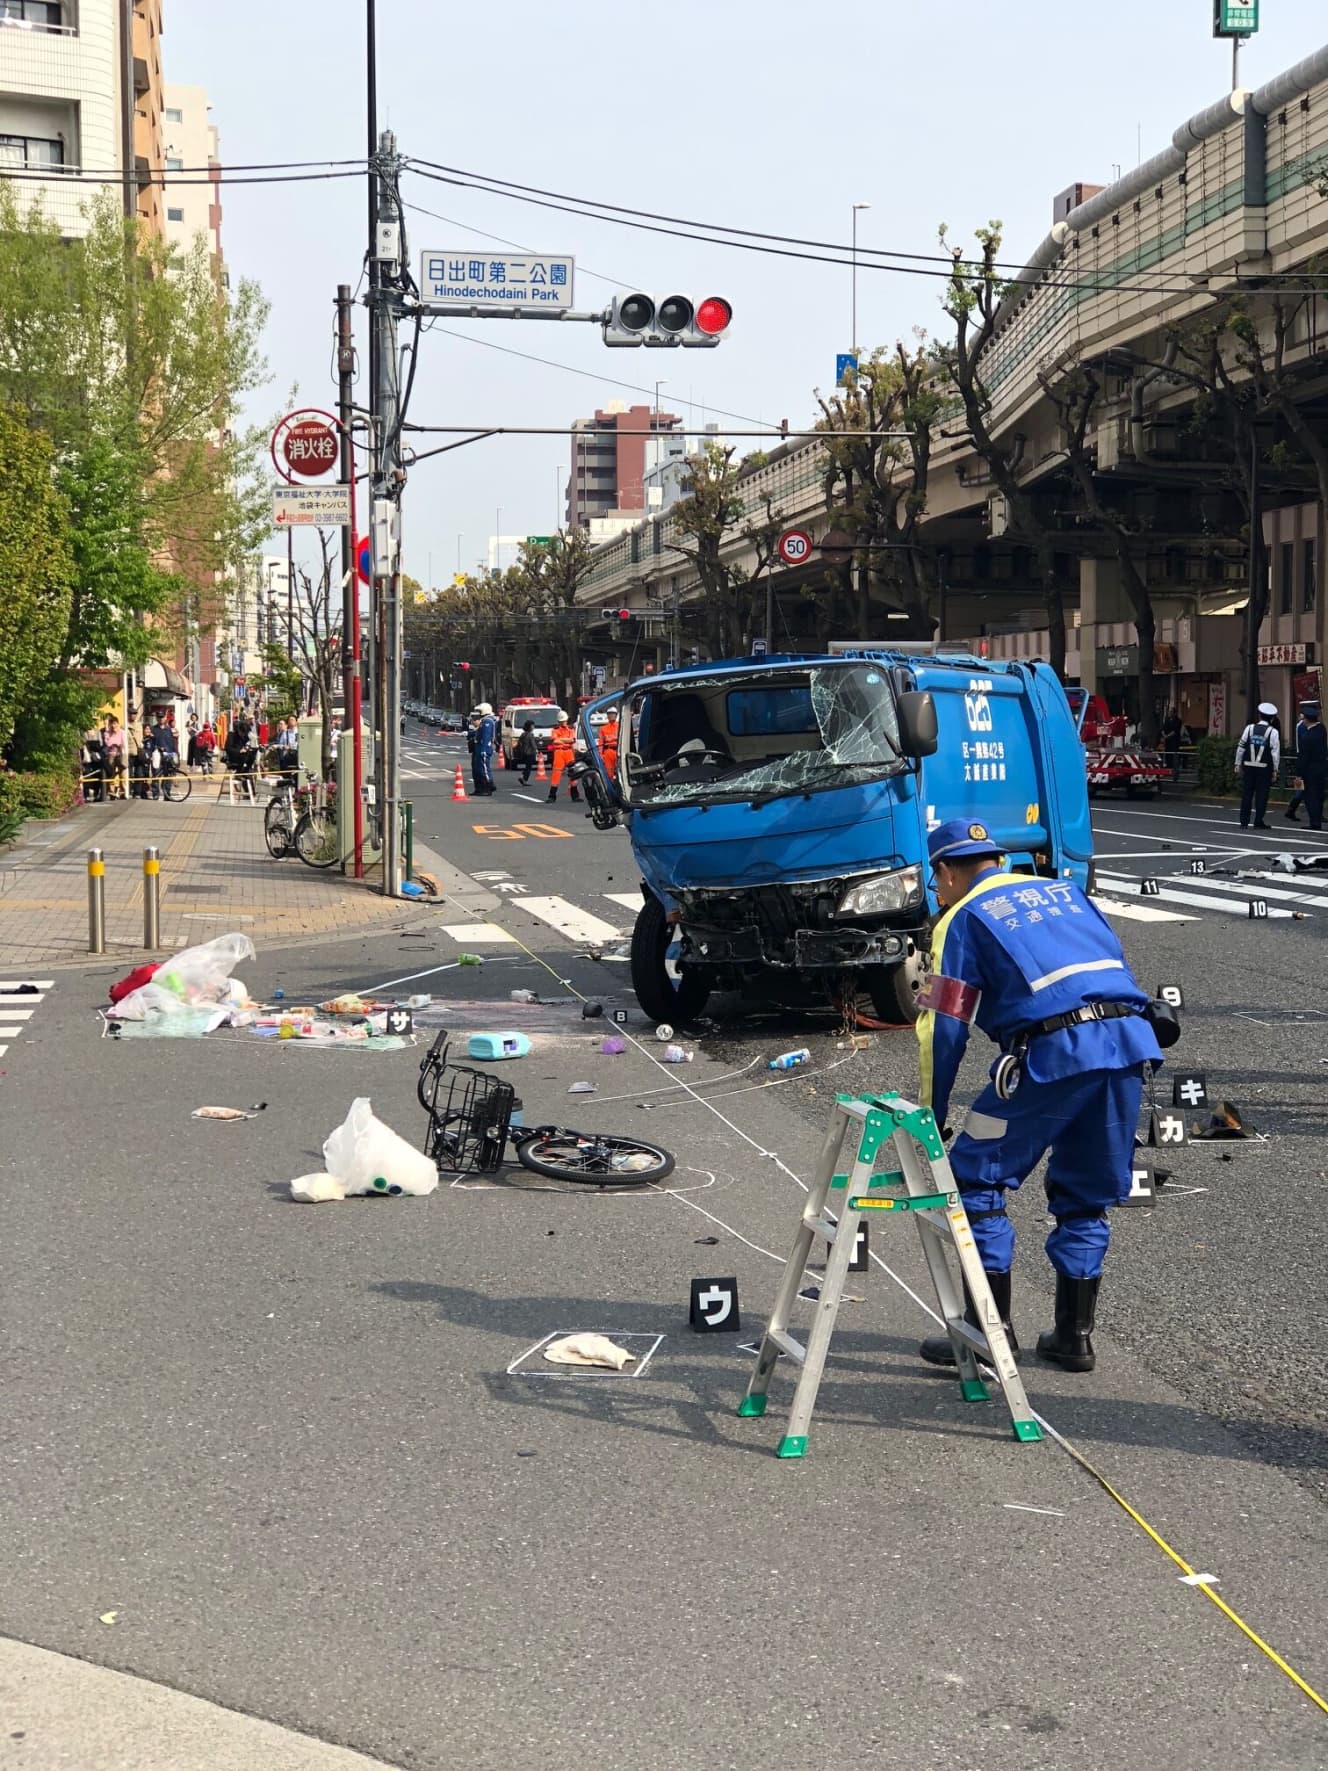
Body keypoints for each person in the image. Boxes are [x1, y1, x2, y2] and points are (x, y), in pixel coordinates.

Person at [915, 820, 1164, 1374]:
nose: (939, 893)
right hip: (1127, 1047)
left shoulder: (961, 918)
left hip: (1055, 1056)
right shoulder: (1064, 891)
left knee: (974, 1178)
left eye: (937, 882)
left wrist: (930, 1114)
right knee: (1086, 1194)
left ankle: (989, 1335)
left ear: (948, 872)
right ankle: (1074, 1338)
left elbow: (943, 1027)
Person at [1234, 700, 1281, 831]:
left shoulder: (1249, 728)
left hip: (1248, 766)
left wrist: (1238, 764)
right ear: (1271, 718)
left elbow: (1241, 747)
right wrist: (1275, 770)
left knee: (1247, 793)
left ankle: (1244, 821)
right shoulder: (1273, 732)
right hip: (1264, 768)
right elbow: (1275, 753)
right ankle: (1258, 821)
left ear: (1259, 715)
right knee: (1262, 795)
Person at [1286, 701, 1327, 829]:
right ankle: (1317, 818)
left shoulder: (1307, 737)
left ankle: (1314, 822)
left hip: (1309, 771)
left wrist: (1298, 774)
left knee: (1310, 796)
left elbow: (1303, 757)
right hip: (1322, 768)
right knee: (1319, 795)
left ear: (1307, 719)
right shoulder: (1321, 730)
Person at [547, 711, 580, 803]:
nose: (563, 723)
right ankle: (552, 796)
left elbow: (572, 740)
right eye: (562, 721)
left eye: (564, 721)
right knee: (556, 774)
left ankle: (575, 796)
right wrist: (566, 741)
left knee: (574, 774)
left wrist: (561, 740)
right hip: (559, 753)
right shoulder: (555, 730)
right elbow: (555, 741)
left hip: (569, 752)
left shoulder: (571, 730)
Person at [470, 702, 498, 796]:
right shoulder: (484, 721)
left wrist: (484, 749)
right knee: (477, 769)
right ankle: (480, 788)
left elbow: (486, 737)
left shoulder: (488, 721)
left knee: (484, 769)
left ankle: (488, 786)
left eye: (480, 711)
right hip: (479, 747)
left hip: (484, 748)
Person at [102, 716, 126, 800]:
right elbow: (108, 743)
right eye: (112, 724)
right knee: (111, 774)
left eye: (115, 724)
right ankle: (112, 792)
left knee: (122, 774)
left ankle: (123, 792)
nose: (113, 726)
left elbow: (123, 743)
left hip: (120, 755)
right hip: (111, 755)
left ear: (118, 724)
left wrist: (116, 744)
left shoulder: (122, 732)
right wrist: (115, 743)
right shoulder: (107, 733)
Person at [514, 718, 539, 785]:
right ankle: (524, 779)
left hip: (524, 753)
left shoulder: (523, 734)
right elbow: (533, 744)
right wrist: (536, 750)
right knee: (529, 767)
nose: (533, 727)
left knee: (527, 766)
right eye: (532, 726)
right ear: (530, 727)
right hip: (530, 753)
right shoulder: (530, 735)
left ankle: (522, 776)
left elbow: (519, 743)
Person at [1161, 707, 1183, 781]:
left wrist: (1168, 736)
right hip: (1167, 741)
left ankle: (1175, 769)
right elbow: (1163, 729)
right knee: (1167, 754)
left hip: (1174, 740)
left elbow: (1175, 731)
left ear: (1174, 713)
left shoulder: (1178, 721)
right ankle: (1168, 767)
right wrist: (1164, 735)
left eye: (1171, 712)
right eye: (1169, 712)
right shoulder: (1167, 720)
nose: (1169, 713)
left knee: (1174, 754)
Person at [598, 709, 621, 779]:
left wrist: (611, 739)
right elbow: (601, 742)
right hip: (608, 752)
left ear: (616, 715)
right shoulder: (603, 728)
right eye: (609, 714)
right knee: (609, 773)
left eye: (613, 714)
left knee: (620, 771)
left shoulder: (620, 726)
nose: (611, 715)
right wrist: (601, 755)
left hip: (619, 751)